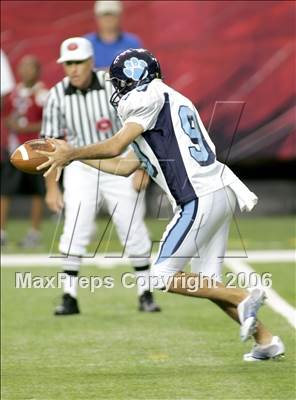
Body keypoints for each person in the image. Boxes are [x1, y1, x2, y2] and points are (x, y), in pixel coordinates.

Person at [38, 48, 285, 361]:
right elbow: (127, 165)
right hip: (219, 189)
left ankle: (244, 295)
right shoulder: (167, 97)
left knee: (162, 276)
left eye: (117, 83)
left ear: (130, 81)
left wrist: (71, 154)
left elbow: (115, 146)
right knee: (207, 285)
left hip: (198, 197)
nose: (114, 90)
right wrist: (76, 159)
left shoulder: (144, 98)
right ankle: (266, 342)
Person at [40, 38, 160, 315]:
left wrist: (140, 167)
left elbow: (136, 127)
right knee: (74, 228)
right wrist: (51, 187)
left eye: (78, 62)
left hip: (118, 163)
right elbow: (51, 145)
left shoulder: (111, 85)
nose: (73, 69)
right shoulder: (57, 94)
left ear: (90, 61)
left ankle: (145, 292)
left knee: (132, 227)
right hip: (81, 165)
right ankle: (69, 296)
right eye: (68, 63)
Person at [1, 55, 48, 247]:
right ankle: (2, 232)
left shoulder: (44, 94)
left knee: (37, 193)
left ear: (38, 71)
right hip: (14, 149)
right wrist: (11, 124)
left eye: (31, 67)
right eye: (23, 67)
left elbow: (48, 121)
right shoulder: (14, 94)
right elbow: (5, 115)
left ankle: (34, 233)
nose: (26, 71)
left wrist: (26, 128)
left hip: (36, 150)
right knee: (5, 191)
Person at [85, 1, 142, 69]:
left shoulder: (132, 43)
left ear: (120, 17)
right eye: (104, 15)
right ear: (97, 18)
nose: (108, 20)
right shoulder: (86, 43)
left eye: (112, 15)